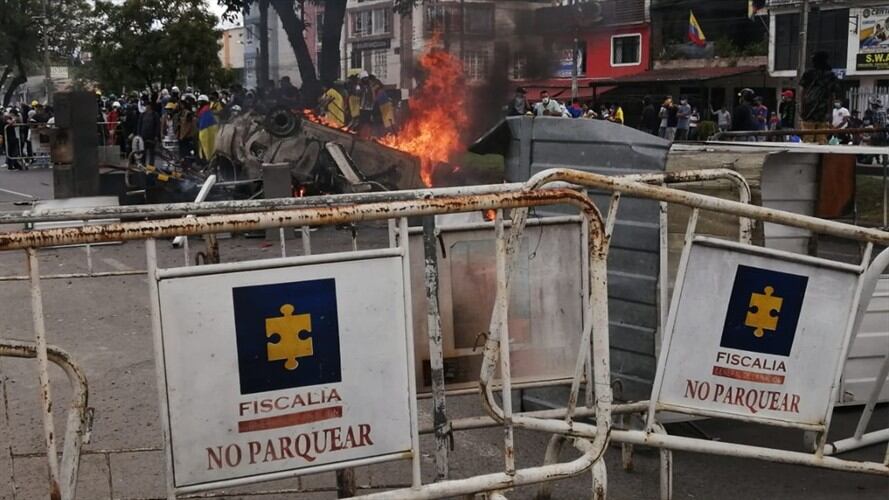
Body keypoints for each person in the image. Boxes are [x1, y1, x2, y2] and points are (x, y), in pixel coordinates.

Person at [800, 51, 842, 144]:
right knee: (822, 139)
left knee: (807, 139)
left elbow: (803, 93)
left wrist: (802, 108)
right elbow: (832, 95)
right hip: (823, 111)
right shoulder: (830, 75)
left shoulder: (808, 73)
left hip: (809, 111)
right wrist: (830, 113)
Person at [137, 101, 161, 166]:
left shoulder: (155, 114)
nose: (147, 107)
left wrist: (156, 135)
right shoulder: (142, 115)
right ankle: (143, 164)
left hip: (152, 136)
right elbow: (139, 125)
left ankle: (151, 165)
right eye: (146, 106)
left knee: (152, 151)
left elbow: (157, 126)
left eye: (148, 106)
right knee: (143, 151)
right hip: (143, 136)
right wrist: (138, 135)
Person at [196, 95, 218, 162]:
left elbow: (203, 123)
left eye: (200, 102)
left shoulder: (205, 110)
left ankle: (207, 162)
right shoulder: (205, 109)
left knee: (207, 148)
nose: (199, 104)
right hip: (209, 130)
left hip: (207, 131)